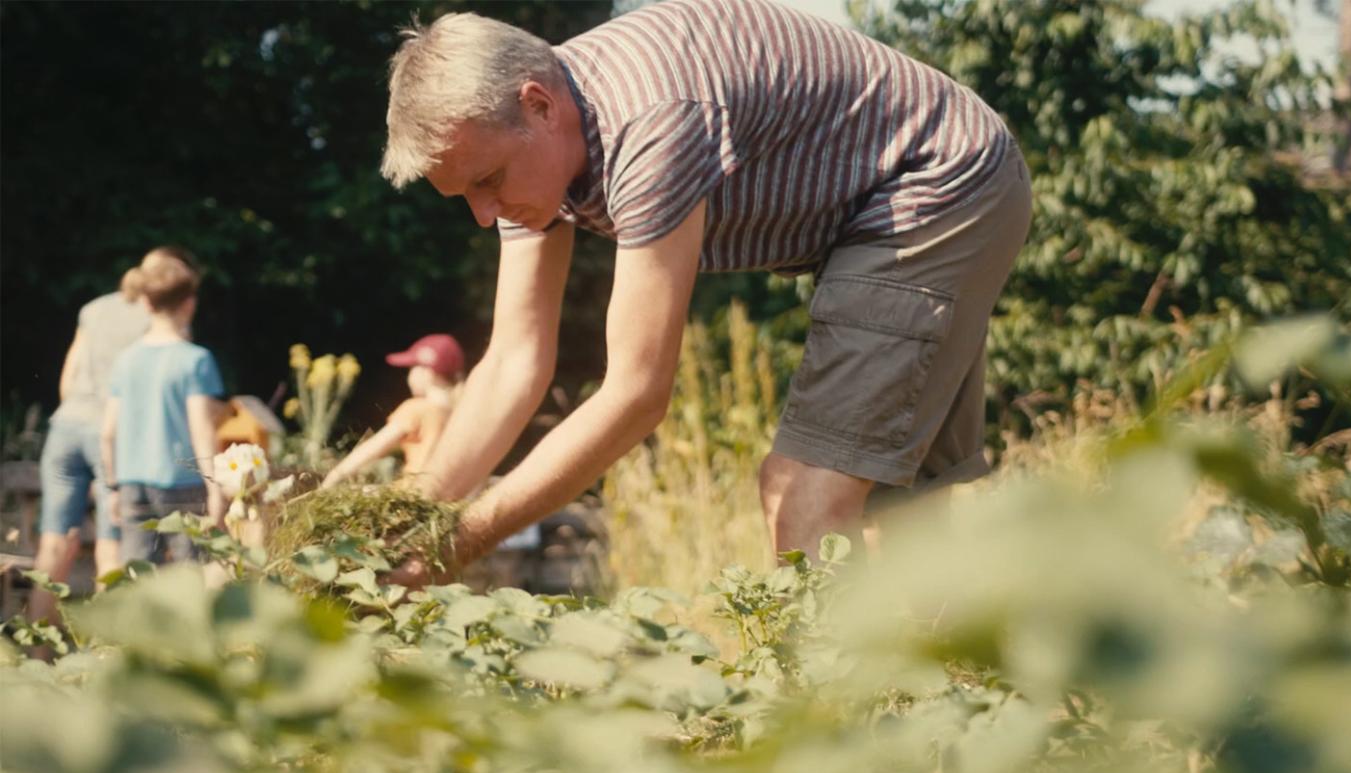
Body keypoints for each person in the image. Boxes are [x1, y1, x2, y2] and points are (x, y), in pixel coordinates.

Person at [378, 0, 1032, 578]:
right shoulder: (532, 152)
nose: (484, 215)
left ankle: (837, 711)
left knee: (803, 493)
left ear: (539, 105)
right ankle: (943, 692)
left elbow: (637, 394)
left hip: (937, 183)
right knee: (898, 510)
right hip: (888, 203)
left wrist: (459, 541)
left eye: (487, 181)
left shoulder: (650, 121)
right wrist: (400, 523)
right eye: (465, 193)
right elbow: (513, 365)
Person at [24, 250, 156, 626]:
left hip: (66, 427)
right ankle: (102, 654)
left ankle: (38, 653)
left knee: (53, 543)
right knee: (110, 549)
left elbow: (68, 377)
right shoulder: (155, 318)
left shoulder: (93, 309)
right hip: (113, 434)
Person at [100, 248, 227, 565]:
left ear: (145, 303)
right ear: (190, 304)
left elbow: (108, 433)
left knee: (135, 574)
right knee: (189, 572)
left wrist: (113, 486)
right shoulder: (195, 360)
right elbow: (201, 430)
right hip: (182, 483)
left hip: (131, 482)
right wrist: (214, 489)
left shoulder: (125, 360)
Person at [322, 333, 465, 488]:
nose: (409, 376)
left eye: (412, 369)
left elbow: (373, 448)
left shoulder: (416, 409)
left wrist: (336, 475)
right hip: (447, 496)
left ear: (427, 372)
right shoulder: (460, 414)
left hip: (414, 494)